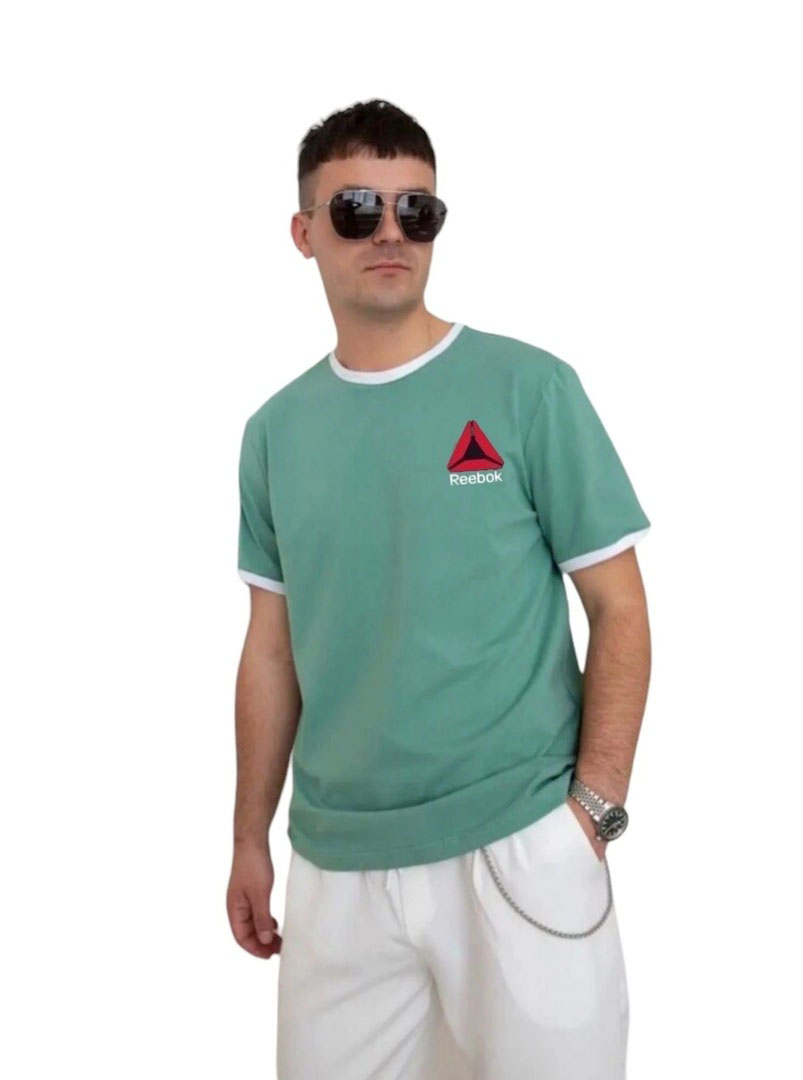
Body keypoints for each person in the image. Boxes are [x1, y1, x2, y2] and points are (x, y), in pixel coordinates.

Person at [226, 98, 652, 1080]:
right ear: (303, 233)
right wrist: (249, 835)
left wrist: (592, 812)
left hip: (518, 848)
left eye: (416, 211)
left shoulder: (528, 388)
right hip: (335, 868)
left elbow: (620, 607)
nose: (390, 232)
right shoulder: (274, 432)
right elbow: (270, 648)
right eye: (357, 209)